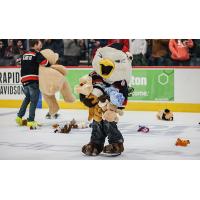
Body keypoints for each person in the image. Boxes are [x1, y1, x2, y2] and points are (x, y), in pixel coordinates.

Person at [16, 39, 50, 128]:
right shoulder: (36, 54)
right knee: (34, 101)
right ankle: (30, 121)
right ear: (35, 45)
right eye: (40, 44)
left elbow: (18, 61)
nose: (41, 45)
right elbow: (46, 63)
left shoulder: (24, 54)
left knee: (27, 98)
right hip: (32, 80)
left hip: (24, 80)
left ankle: (19, 117)